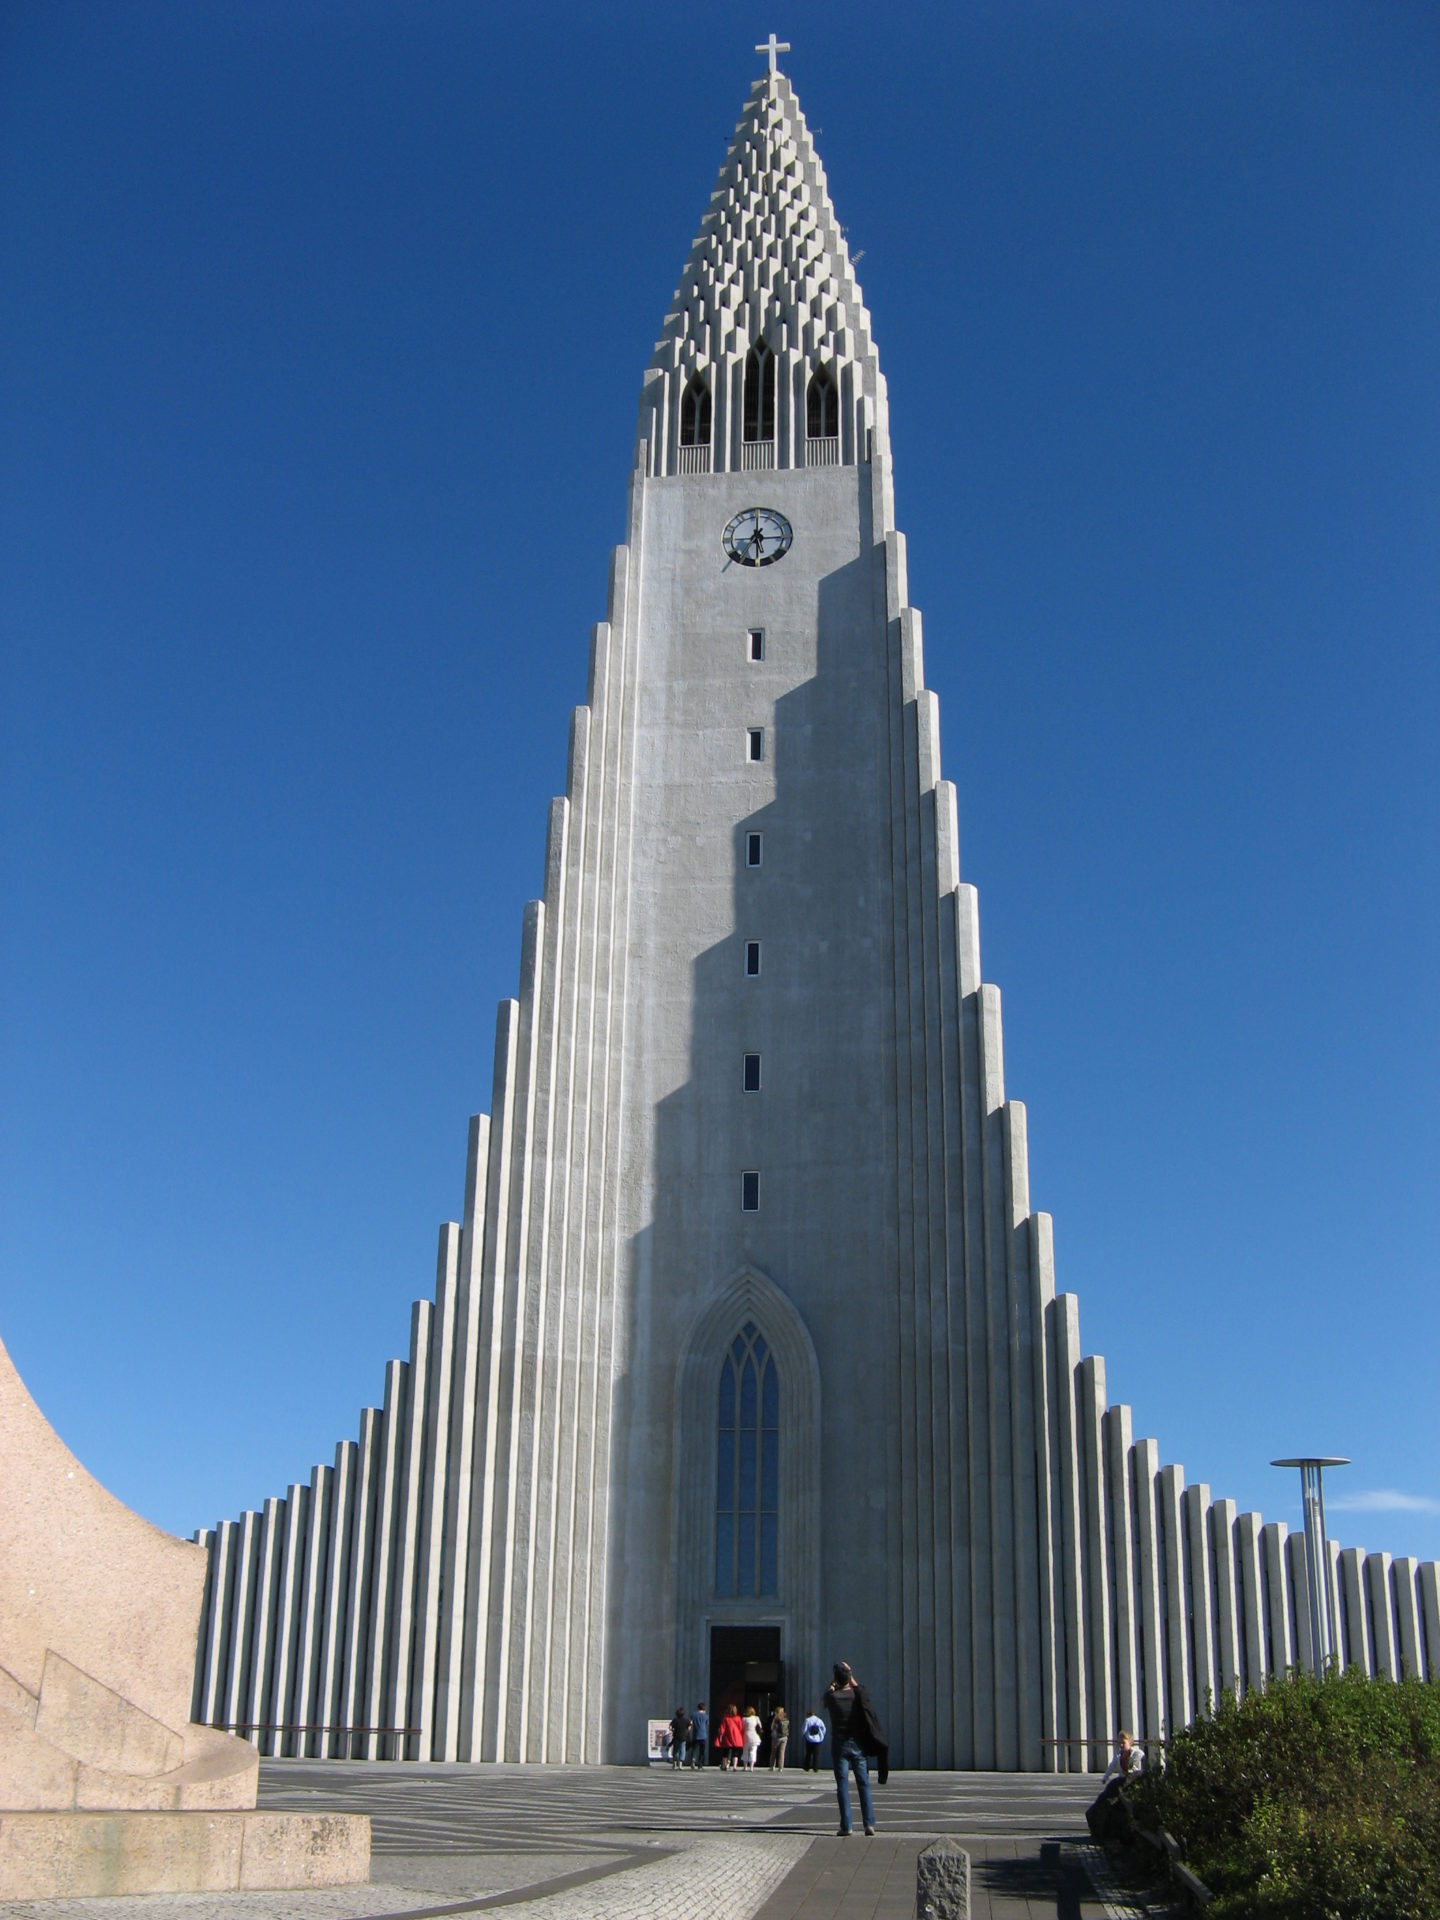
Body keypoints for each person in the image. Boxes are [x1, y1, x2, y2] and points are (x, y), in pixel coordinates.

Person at [822, 1660, 887, 1836]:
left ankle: (847, 1826)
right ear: (849, 1678)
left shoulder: (832, 1698)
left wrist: (833, 1682)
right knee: (863, 1783)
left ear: (836, 1679)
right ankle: (869, 1824)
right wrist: (850, 1674)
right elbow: (862, 1690)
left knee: (842, 1785)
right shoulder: (857, 1696)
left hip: (840, 1744)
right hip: (858, 1744)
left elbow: (824, 1699)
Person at [1086, 1729, 1145, 1843]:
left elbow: (1136, 1767)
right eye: (1120, 1743)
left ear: (1130, 1742)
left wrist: (1131, 1770)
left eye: (1124, 1743)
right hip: (1120, 1782)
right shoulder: (1119, 1756)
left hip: (1133, 1783)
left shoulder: (1137, 1754)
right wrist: (1105, 1777)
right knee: (1103, 1802)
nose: (1121, 1745)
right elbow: (1111, 1766)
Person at [716, 1704, 744, 1771]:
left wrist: (720, 1736)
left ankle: (724, 1766)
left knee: (725, 1752)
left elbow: (722, 1729)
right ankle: (734, 1767)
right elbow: (741, 1728)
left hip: (727, 1737)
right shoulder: (738, 1718)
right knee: (735, 1753)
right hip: (736, 1737)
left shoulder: (725, 1719)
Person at [668, 1705, 691, 1769]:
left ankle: (674, 1763)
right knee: (682, 1750)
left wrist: (673, 1730)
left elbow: (670, 1727)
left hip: (676, 1736)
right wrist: (687, 1732)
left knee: (675, 1750)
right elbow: (689, 1727)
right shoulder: (686, 1720)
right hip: (683, 1737)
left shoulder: (675, 1720)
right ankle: (680, 1764)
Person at [741, 1705, 762, 1769]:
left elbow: (742, 1728)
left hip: (746, 1736)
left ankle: (745, 1766)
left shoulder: (744, 1719)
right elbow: (760, 1727)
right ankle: (751, 1767)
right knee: (753, 1751)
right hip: (754, 1736)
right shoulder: (756, 1718)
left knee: (745, 1751)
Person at [769, 1705, 789, 1769]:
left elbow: (772, 1728)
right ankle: (781, 1767)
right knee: (782, 1752)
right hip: (785, 1737)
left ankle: (772, 1766)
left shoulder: (776, 1718)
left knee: (774, 1751)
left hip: (776, 1737)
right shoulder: (785, 1718)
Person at [691, 1702, 708, 1768]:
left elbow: (691, 1722)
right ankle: (700, 1764)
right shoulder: (706, 1716)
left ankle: (693, 1759)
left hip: (695, 1733)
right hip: (703, 1734)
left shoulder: (693, 1714)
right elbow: (707, 1724)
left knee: (694, 1748)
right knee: (702, 1750)